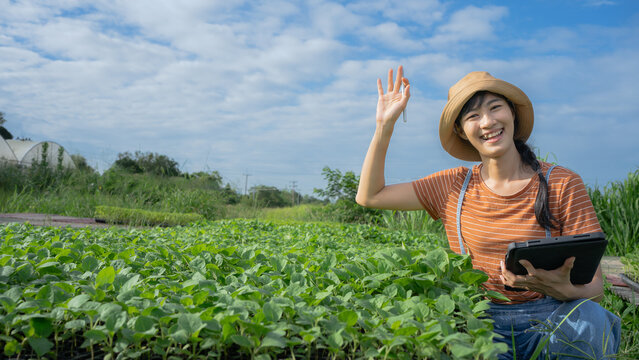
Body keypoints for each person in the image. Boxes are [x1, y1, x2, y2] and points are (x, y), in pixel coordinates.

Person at [355, 67, 621, 359]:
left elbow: (595, 290)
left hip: (552, 317)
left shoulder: (562, 183)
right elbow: (370, 195)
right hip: (481, 322)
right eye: (473, 116)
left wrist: (564, 290)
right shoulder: (452, 185)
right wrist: (384, 126)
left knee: (592, 321)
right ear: (461, 131)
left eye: (495, 108)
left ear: (512, 114)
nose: (488, 122)